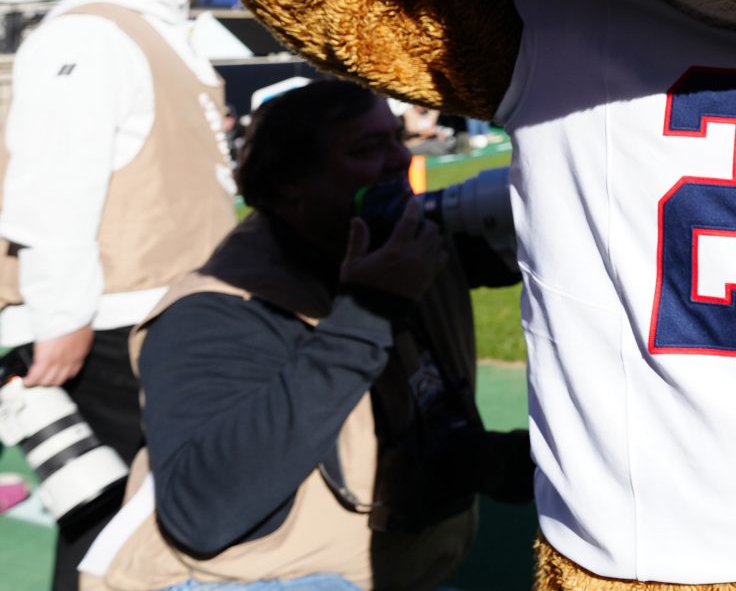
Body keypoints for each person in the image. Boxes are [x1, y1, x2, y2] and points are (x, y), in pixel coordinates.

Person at [78, 79, 530, 591]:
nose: (396, 162)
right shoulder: (214, 313)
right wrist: (368, 313)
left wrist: (509, 465)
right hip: (252, 577)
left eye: (394, 139)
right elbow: (201, 516)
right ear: (289, 183)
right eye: (365, 149)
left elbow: (413, 437)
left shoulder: (400, 246)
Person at [0, 0, 237, 591]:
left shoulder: (153, 26)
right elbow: (52, 186)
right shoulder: (91, 33)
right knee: (107, 519)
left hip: (161, 306)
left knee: (150, 513)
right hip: (111, 318)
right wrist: (63, 316)